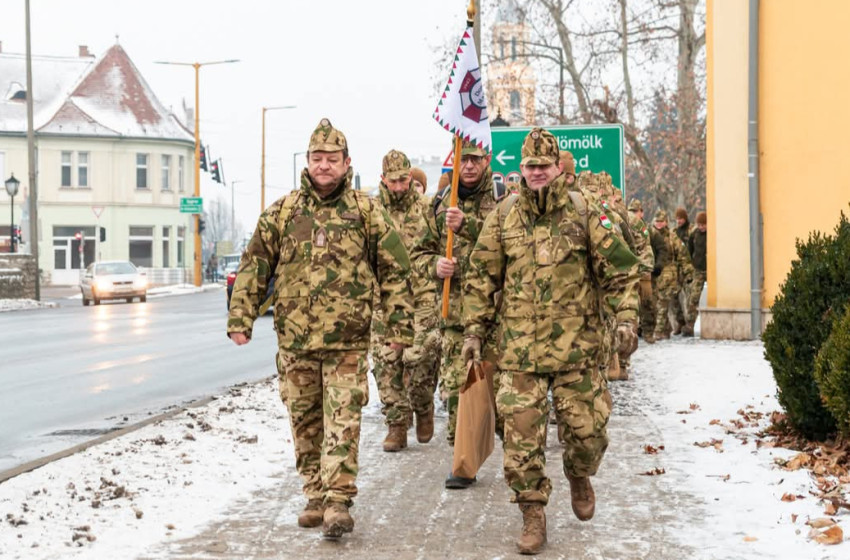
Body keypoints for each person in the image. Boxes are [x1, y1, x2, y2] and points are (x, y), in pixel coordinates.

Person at [226, 119, 413, 539]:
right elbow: (255, 265)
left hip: (347, 343)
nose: (324, 165)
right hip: (295, 342)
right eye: (317, 158)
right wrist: (241, 318)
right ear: (307, 162)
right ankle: (314, 493)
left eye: (332, 159)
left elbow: (396, 271)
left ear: (347, 164)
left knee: (343, 421)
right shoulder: (284, 212)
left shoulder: (367, 213)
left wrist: (399, 324)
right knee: (305, 422)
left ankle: (338, 502)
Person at [463, 128, 639, 555]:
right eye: (530, 166)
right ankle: (532, 514)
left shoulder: (585, 212)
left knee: (588, 434)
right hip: (520, 352)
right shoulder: (504, 217)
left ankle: (579, 473)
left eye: (544, 166)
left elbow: (620, 271)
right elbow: (481, 277)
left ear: (557, 167)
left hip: (578, 351)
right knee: (520, 441)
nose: (537, 173)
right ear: (521, 169)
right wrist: (473, 330)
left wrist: (627, 320)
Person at [410, 138, 507, 489]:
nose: (468, 166)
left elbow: (509, 245)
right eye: (463, 159)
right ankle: (463, 462)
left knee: (504, 395)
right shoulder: (440, 203)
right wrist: (435, 266)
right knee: (456, 391)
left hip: (497, 315)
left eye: (475, 159)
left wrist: (468, 226)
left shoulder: (502, 201)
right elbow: (417, 255)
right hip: (454, 317)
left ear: (487, 159)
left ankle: (520, 460)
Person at [371, 150, 436, 450]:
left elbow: (443, 247)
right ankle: (397, 425)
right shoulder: (371, 211)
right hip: (383, 300)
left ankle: (423, 406)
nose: (399, 186)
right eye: (393, 181)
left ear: (411, 177)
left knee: (419, 358)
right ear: (383, 179)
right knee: (386, 364)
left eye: (404, 180)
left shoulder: (427, 208)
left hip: (421, 296)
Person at [649, 210, 694, 341]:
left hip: (669, 273)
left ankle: (659, 330)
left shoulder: (671, 236)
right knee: (669, 303)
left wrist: (688, 271)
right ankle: (673, 325)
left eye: (661, 221)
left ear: (666, 222)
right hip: (654, 272)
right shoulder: (649, 235)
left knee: (663, 302)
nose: (659, 224)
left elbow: (682, 255)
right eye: (657, 221)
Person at [627, 199, 656, 343]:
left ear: (641, 213)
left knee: (647, 302)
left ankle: (648, 332)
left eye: (635, 212)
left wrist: (653, 267)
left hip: (644, 271)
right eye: (631, 211)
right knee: (631, 304)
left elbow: (653, 247)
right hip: (631, 270)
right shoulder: (624, 223)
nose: (633, 214)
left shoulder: (646, 228)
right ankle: (635, 331)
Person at [671, 207, 695, 334]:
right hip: (676, 268)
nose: (679, 221)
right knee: (674, 297)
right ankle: (680, 322)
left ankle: (690, 324)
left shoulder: (692, 230)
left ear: (685, 218)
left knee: (690, 298)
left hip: (689, 267)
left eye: (681, 218)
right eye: (677, 219)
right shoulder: (674, 232)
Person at [684, 211, 707, 336]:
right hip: (698, 269)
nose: (701, 227)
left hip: (710, 269)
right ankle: (690, 325)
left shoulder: (711, 234)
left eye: (703, 225)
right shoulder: (694, 234)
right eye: (699, 225)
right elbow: (689, 249)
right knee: (693, 298)